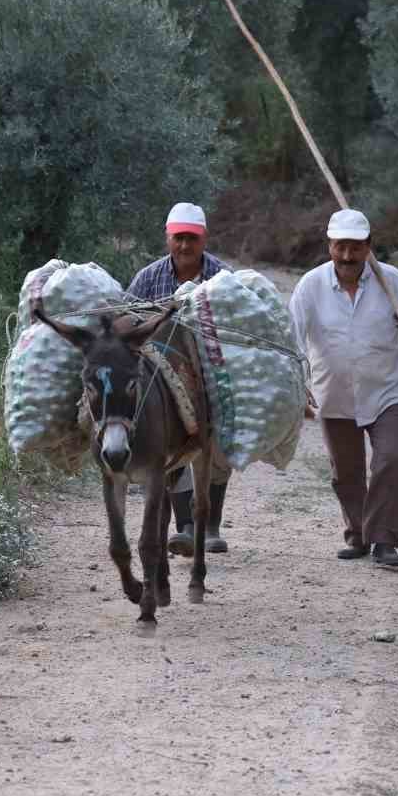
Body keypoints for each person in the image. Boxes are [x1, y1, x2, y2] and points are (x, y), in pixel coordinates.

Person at [289, 208, 398, 570]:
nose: (347, 256)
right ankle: (358, 534)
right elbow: (291, 335)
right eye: (340, 247)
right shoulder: (311, 285)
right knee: (347, 473)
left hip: (386, 392)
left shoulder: (393, 281)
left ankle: (384, 541)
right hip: (334, 395)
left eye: (356, 248)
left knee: (392, 460)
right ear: (329, 247)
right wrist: (297, 381)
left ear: (369, 247)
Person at [126, 202, 234, 556]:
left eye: (191, 239)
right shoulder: (148, 277)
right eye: (178, 238)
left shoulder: (222, 277)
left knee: (217, 450)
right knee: (169, 444)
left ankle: (210, 524)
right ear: (167, 238)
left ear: (204, 239)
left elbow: (237, 325)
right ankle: (185, 525)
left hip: (210, 370)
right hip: (164, 375)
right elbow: (127, 320)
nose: (184, 246)